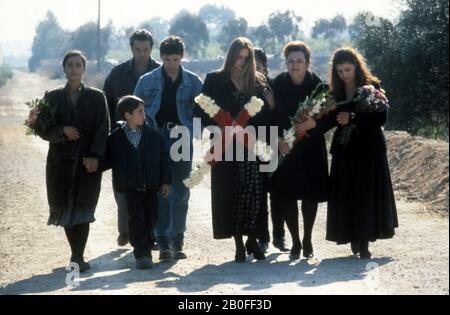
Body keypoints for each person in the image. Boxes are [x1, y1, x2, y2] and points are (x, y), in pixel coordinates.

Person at [296, 47, 398, 259]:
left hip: (370, 150)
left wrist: (352, 118)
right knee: (348, 196)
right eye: (340, 71)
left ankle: (364, 243)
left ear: (356, 66)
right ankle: (353, 236)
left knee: (366, 196)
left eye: (348, 70)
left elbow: (381, 118)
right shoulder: (333, 93)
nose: (344, 75)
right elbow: (330, 120)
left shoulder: (372, 87)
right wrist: (312, 124)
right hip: (345, 151)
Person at [28, 50, 110, 272]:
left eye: (77, 65)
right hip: (59, 164)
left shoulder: (96, 97)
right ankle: (76, 253)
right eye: (70, 65)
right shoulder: (52, 97)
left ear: (84, 69)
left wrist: (94, 157)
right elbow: (42, 129)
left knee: (84, 208)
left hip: (87, 163)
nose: (73, 69)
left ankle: (77, 255)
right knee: (65, 208)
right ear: (64, 69)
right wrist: (62, 131)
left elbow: (103, 129)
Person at [194, 37, 271, 263]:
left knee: (255, 193)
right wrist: (220, 127)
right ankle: (238, 243)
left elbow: (266, 115)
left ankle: (252, 240)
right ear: (231, 56)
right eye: (239, 57)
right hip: (226, 146)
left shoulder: (258, 81)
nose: (242, 62)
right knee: (231, 192)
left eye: (247, 59)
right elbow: (200, 111)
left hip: (253, 146)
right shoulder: (215, 80)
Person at [134, 36, 203, 261]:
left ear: (182, 57)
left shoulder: (193, 82)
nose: (171, 63)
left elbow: (205, 110)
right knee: (162, 188)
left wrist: (198, 131)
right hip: (156, 135)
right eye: (166, 59)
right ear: (161, 57)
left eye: (175, 59)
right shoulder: (147, 80)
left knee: (181, 189)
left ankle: (177, 239)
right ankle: (163, 241)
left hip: (182, 134)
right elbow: (134, 108)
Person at [270, 41, 329, 260]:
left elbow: (328, 118)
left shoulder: (318, 86)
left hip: (311, 147)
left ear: (307, 62)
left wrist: (314, 125)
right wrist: (277, 139)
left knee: (309, 196)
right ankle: (295, 241)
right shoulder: (278, 84)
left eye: (299, 61)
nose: (295, 65)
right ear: (285, 62)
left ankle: (307, 239)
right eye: (291, 61)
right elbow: (270, 116)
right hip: (285, 148)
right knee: (287, 196)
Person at [103, 29, 160, 247]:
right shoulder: (118, 74)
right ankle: (125, 229)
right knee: (123, 187)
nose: (141, 54)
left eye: (145, 50)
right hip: (123, 137)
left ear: (151, 49)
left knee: (151, 187)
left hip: (150, 138)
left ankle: (150, 234)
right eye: (137, 49)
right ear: (131, 48)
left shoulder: (159, 71)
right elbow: (106, 104)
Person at [103, 96, 171, 269]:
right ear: (127, 115)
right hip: (130, 186)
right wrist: (92, 163)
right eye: (140, 111)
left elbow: (164, 159)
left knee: (151, 216)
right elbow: (108, 160)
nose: (144, 114)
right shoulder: (115, 138)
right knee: (136, 218)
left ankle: (148, 242)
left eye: (144, 110)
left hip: (151, 185)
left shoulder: (153, 135)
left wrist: (165, 182)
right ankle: (141, 253)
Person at [253, 47, 278, 253]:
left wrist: (272, 105)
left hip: (270, 142)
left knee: (276, 191)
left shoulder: (273, 86)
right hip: (250, 144)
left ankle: (279, 235)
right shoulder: (244, 86)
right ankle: (263, 236)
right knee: (258, 193)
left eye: (258, 65)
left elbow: (280, 117)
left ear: (265, 66)